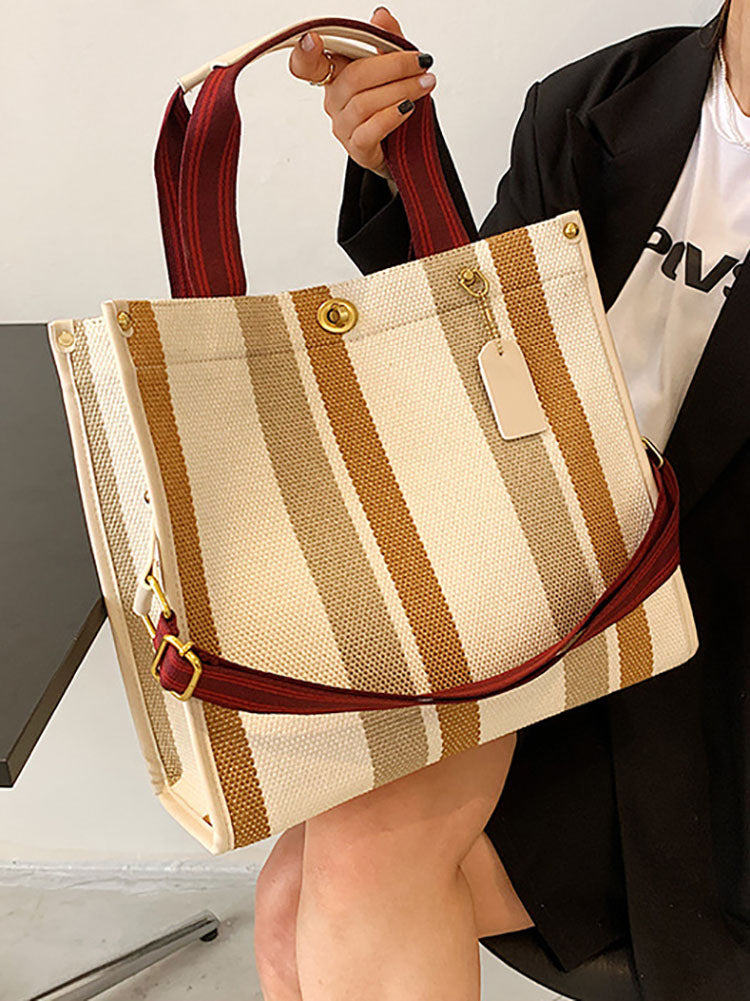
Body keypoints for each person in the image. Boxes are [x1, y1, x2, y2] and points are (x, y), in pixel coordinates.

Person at [252, 4, 750, 999]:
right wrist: (403, 171)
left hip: (705, 684)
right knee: (288, 899)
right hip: (548, 623)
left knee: (349, 875)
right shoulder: (592, 105)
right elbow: (479, 385)